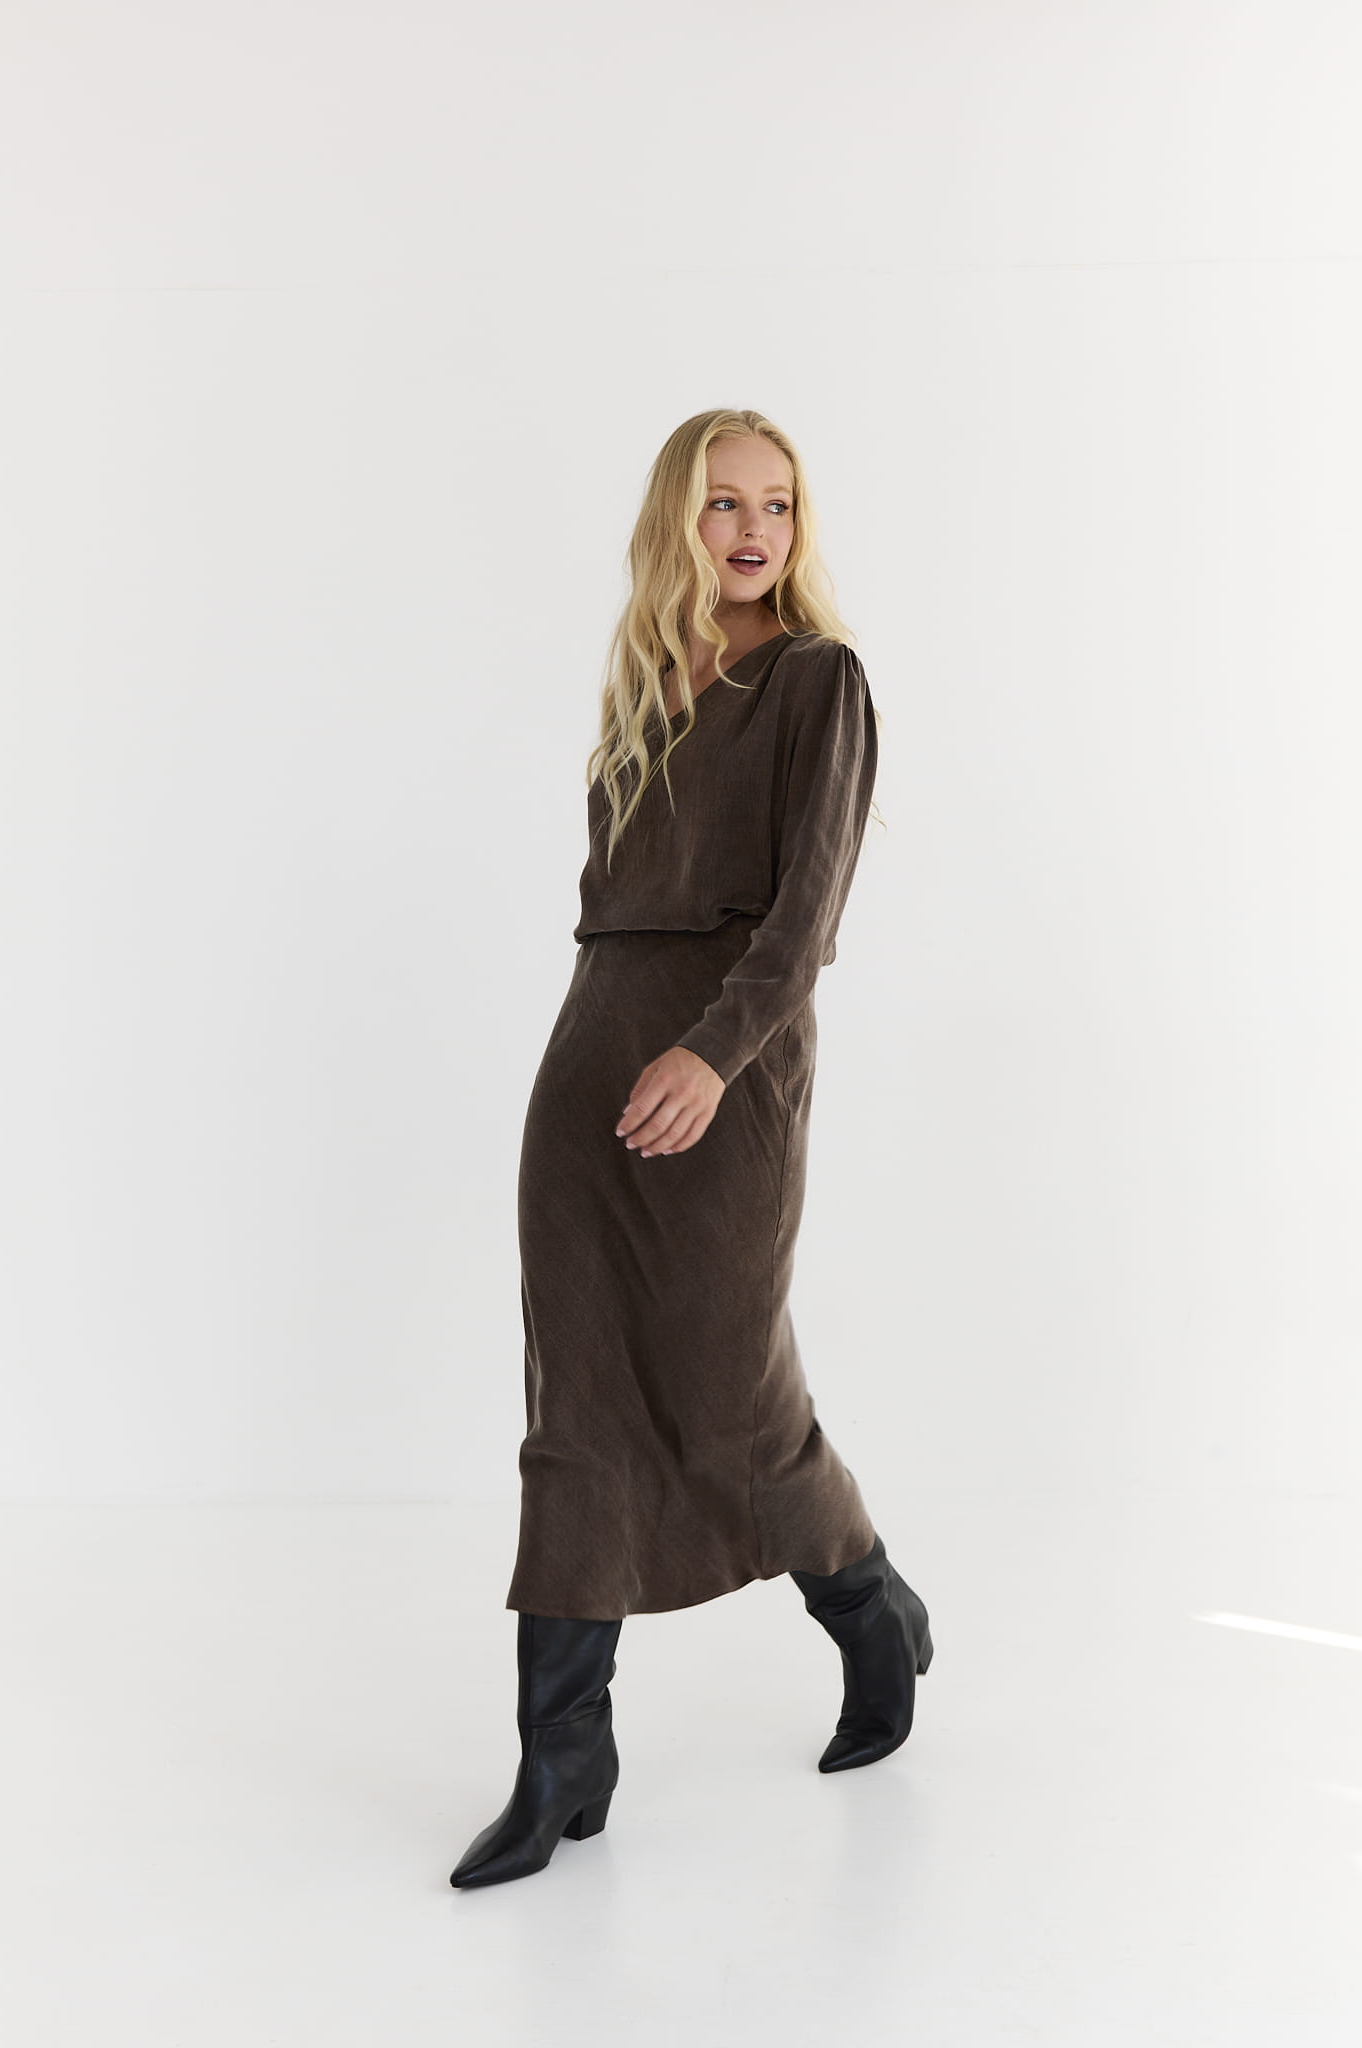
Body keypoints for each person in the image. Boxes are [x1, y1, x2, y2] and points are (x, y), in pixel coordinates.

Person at [450, 408, 933, 1891]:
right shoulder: (643, 682)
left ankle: (869, 1608)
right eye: (723, 503)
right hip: (590, 1053)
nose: (752, 531)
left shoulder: (817, 680)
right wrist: (619, 1044)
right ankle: (562, 1754)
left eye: (776, 505)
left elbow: (804, 919)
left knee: (730, 1394)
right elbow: (611, 908)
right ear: (678, 519)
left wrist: (712, 1057)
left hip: (731, 1065)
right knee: (575, 1396)